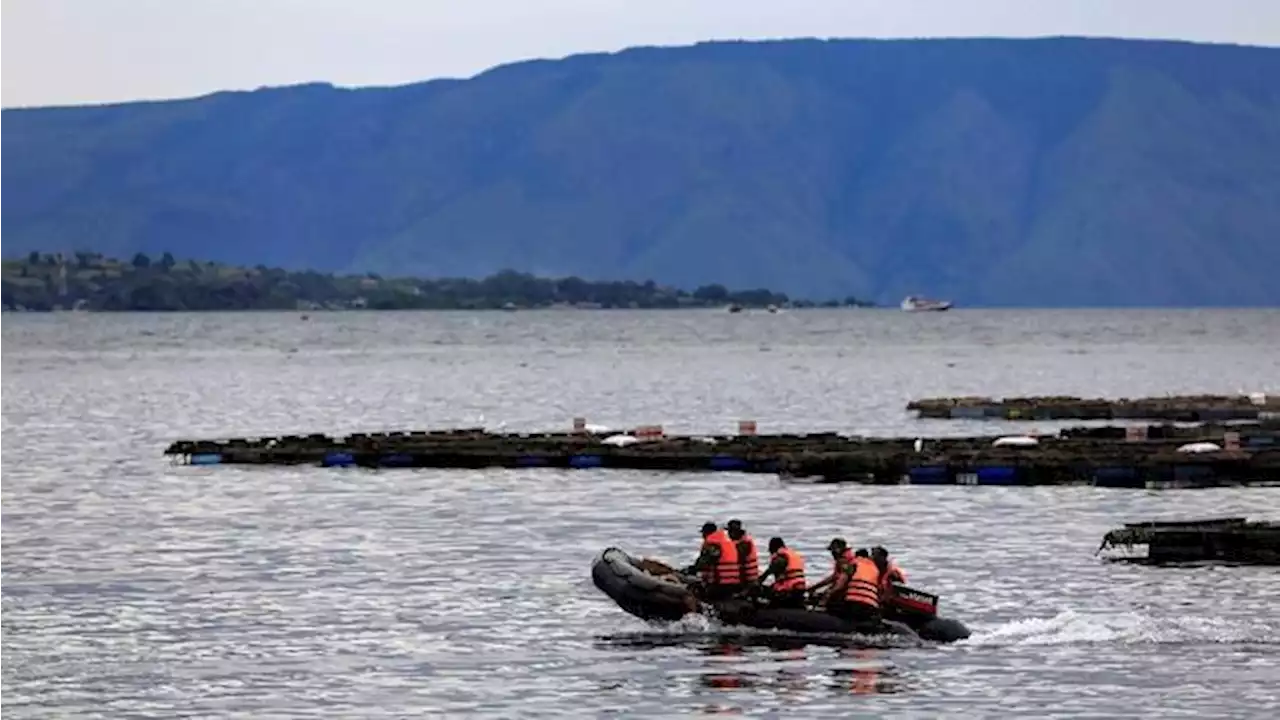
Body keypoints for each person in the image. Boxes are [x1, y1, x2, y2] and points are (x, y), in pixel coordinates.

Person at [681, 522, 742, 601]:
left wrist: (692, 569)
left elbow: (705, 561)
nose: (702, 536)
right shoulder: (726, 540)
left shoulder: (712, 542)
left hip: (720, 582)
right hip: (734, 580)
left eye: (703, 533)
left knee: (700, 596)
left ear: (706, 533)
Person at [826, 547, 883, 624]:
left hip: (854, 602)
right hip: (870, 605)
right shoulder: (875, 569)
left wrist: (828, 594)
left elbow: (840, 584)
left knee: (834, 607)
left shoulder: (853, 563)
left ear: (856, 556)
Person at [756, 537, 806, 608]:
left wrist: (757, 583)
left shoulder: (779, 558)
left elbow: (767, 573)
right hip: (800, 588)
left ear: (773, 548)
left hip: (789, 591)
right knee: (773, 586)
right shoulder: (792, 554)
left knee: (768, 592)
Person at [807, 537, 856, 603]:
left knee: (827, 594)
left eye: (832, 551)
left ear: (838, 550)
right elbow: (834, 577)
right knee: (823, 593)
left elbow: (841, 582)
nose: (832, 554)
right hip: (850, 589)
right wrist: (814, 587)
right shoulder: (847, 559)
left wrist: (829, 593)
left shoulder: (844, 561)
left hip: (850, 591)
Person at [726, 519, 760, 584]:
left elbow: (740, 562)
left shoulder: (744, 543)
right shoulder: (739, 542)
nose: (728, 534)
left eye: (730, 531)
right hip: (744, 578)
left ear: (735, 532)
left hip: (747, 580)